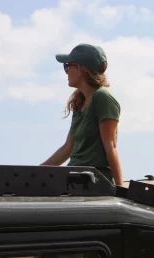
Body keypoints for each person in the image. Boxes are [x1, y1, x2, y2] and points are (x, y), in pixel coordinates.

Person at [41, 43, 124, 186]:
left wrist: (120, 189)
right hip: (73, 181)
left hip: (93, 183)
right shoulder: (79, 102)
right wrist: (37, 171)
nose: (66, 72)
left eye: (67, 66)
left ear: (79, 69)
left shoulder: (103, 97)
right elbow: (68, 148)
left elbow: (110, 147)